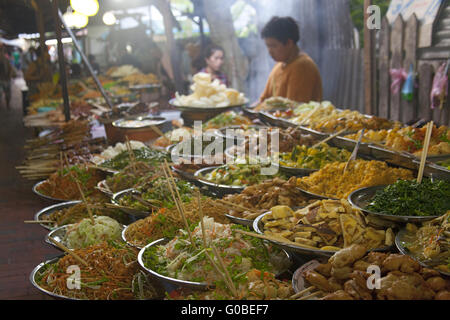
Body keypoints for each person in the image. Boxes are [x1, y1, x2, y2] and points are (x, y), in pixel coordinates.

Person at [259, 16, 322, 103]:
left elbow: (293, 110)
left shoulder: (302, 67)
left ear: (289, 43)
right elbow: (263, 101)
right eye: (268, 46)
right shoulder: (279, 66)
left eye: (273, 46)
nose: (270, 52)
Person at [0, 44, 14, 110]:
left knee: (7, 94)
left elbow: (10, 69)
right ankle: (7, 105)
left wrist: (9, 76)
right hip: (4, 79)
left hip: (6, 79)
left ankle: (8, 105)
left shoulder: (5, 59)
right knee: (7, 94)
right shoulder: (5, 59)